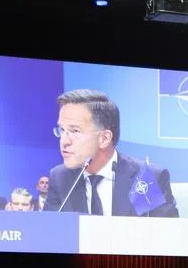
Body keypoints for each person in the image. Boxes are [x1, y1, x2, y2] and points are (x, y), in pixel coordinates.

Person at [44, 89, 179, 217]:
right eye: (62, 130)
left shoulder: (144, 178)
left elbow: (168, 236)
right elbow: (50, 233)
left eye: (74, 131)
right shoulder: (60, 178)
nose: (64, 141)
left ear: (104, 138)